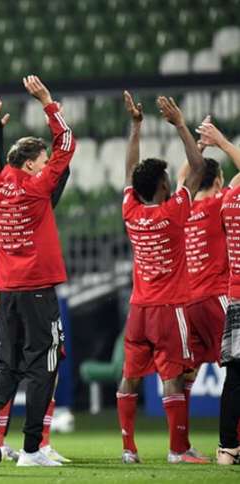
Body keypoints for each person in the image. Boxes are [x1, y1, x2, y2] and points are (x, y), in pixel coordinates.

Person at [0, 73, 75, 467]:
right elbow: (66, 146)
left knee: (6, 362)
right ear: (32, 163)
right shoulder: (37, 188)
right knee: (43, 365)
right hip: (37, 289)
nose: (47, 165)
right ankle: (32, 449)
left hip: (9, 289)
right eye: (43, 161)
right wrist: (48, 102)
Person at [115, 92, 207, 464]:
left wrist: (136, 127)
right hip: (169, 309)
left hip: (138, 308)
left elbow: (129, 172)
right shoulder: (173, 214)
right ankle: (177, 449)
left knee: (130, 376)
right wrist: (181, 125)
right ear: (166, 187)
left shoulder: (130, 211)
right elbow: (199, 168)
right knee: (172, 374)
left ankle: (128, 450)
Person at [200, 120, 240, 465]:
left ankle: (228, 448)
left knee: (236, 375)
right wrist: (222, 142)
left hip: (235, 294)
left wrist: (206, 147)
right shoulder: (226, 197)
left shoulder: (226, 202)